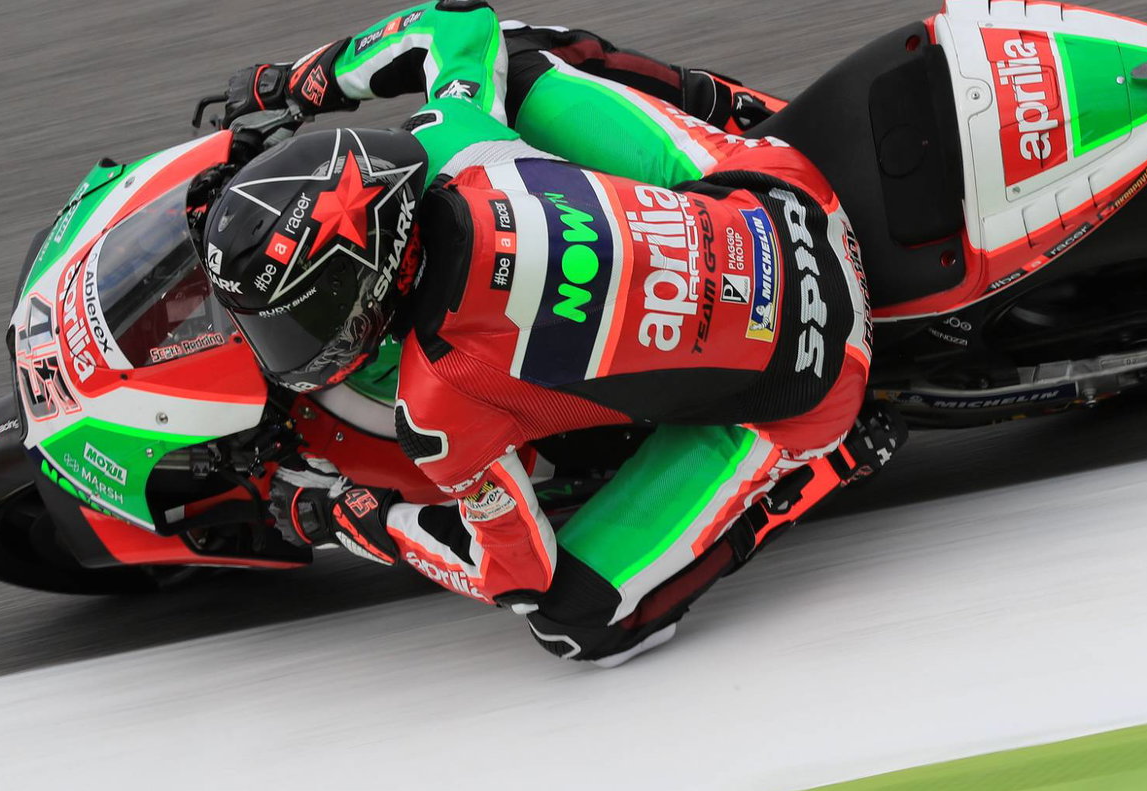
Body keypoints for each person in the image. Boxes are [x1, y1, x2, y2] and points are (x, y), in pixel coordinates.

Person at [203, 2, 896, 667]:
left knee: (572, 622)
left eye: (294, 319)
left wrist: (358, 518)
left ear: (364, 285)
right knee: (515, 52)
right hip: (788, 192)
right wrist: (304, 80)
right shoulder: (451, 137)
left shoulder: (438, 402)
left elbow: (515, 576)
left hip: (822, 373)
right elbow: (457, 19)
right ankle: (742, 111)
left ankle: (827, 465)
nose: (283, 338)